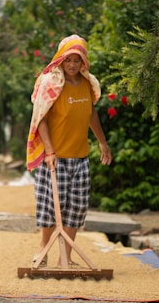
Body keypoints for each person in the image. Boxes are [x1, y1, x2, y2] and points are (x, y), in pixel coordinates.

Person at [26, 34, 112, 267]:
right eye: (68, 60)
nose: (72, 65)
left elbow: (91, 114)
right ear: (60, 60)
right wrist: (50, 151)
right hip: (55, 157)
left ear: (83, 61)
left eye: (77, 60)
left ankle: (66, 257)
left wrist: (102, 142)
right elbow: (40, 118)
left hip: (80, 157)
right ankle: (43, 250)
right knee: (50, 208)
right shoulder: (51, 83)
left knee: (76, 208)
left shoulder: (87, 83)